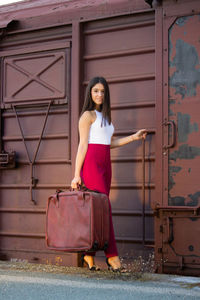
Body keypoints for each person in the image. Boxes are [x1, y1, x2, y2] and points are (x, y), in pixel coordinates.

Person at [71, 76, 147, 272]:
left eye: (103, 91)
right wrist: (76, 174)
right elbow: (82, 145)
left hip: (106, 164)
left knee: (96, 211)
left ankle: (88, 255)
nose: (99, 94)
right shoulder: (87, 116)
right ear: (90, 93)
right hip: (92, 164)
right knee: (104, 209)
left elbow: (108, 143)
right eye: (96, 90)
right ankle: (112, 258)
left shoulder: (105, 117)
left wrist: (133, 137)